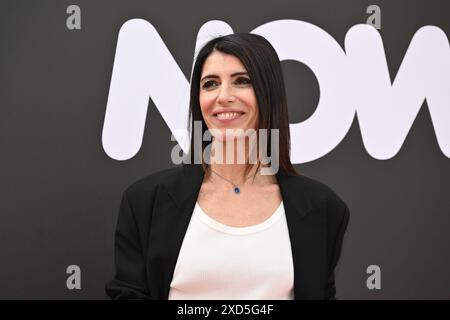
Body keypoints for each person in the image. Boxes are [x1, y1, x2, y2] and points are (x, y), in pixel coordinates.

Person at [105, 33, 350, 300]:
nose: (223, 96)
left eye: (242, 81)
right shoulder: (144, 201)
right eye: (210, 84)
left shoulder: (323, 208)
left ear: (269, 92)